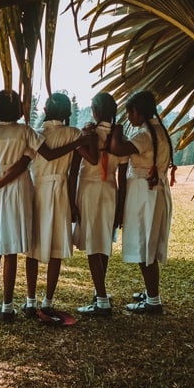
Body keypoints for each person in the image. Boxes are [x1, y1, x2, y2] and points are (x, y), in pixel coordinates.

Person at [0, 90, 93, 322]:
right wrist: (78, 141)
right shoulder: (26, 132)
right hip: (21, 190)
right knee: (12, 249)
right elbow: (41, 157)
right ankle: (12, 306)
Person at [21, 93, 97, 320]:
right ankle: (49, 301)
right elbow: (88, 161)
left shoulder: (35, 134)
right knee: (56, 247)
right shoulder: (73, 134)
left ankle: (30, 300)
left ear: (44, 111)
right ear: (67, 114)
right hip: (61, 191)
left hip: (38, 190)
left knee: (32, 247)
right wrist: (88, 137)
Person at [109, 91, 174, 315]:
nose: (129, 118)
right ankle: (151, 291)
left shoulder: (145, 135)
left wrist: (116, 130)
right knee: (149, 242)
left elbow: (117, 149)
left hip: (143, 194)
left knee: (144, 244)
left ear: (136, 112)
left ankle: (153, 301)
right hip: (155, 192)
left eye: (129, 114)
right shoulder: (159, 132)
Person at [72, 93, 127, 317]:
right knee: (103, 241)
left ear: (94, 111)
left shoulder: (87, 134)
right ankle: (99, 291)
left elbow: (77, 165)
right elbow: (122, 176)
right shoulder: (118, 138)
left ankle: (102, 299)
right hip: (110, 190)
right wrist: (121, 207)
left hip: (90, 190)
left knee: (93, 245)